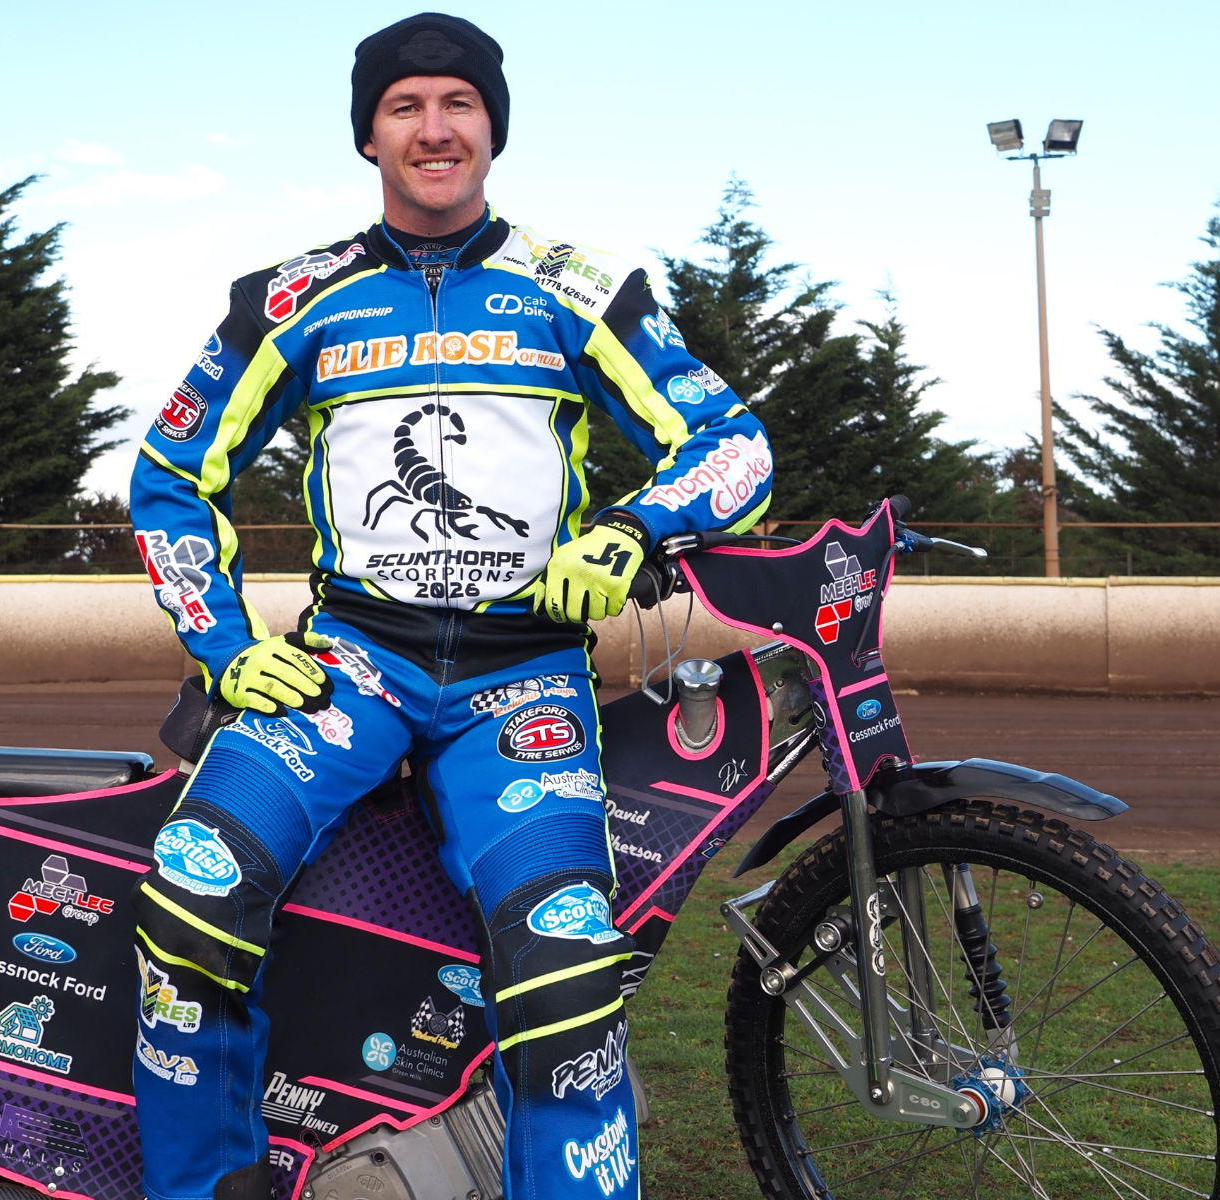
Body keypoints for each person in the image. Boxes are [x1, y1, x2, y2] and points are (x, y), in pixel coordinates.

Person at [127, 13, 774, 1199]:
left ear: (493, 128)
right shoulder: (292, 298)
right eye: (406, 106)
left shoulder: (582, 290)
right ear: (369, 137)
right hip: (350, 667)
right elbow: (169, 472)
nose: (435, 128)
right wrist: (221, 642)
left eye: (459, 103)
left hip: (522, 685)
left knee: (567, 979)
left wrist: (634, 527)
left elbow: (734, 444)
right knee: (189, 897)